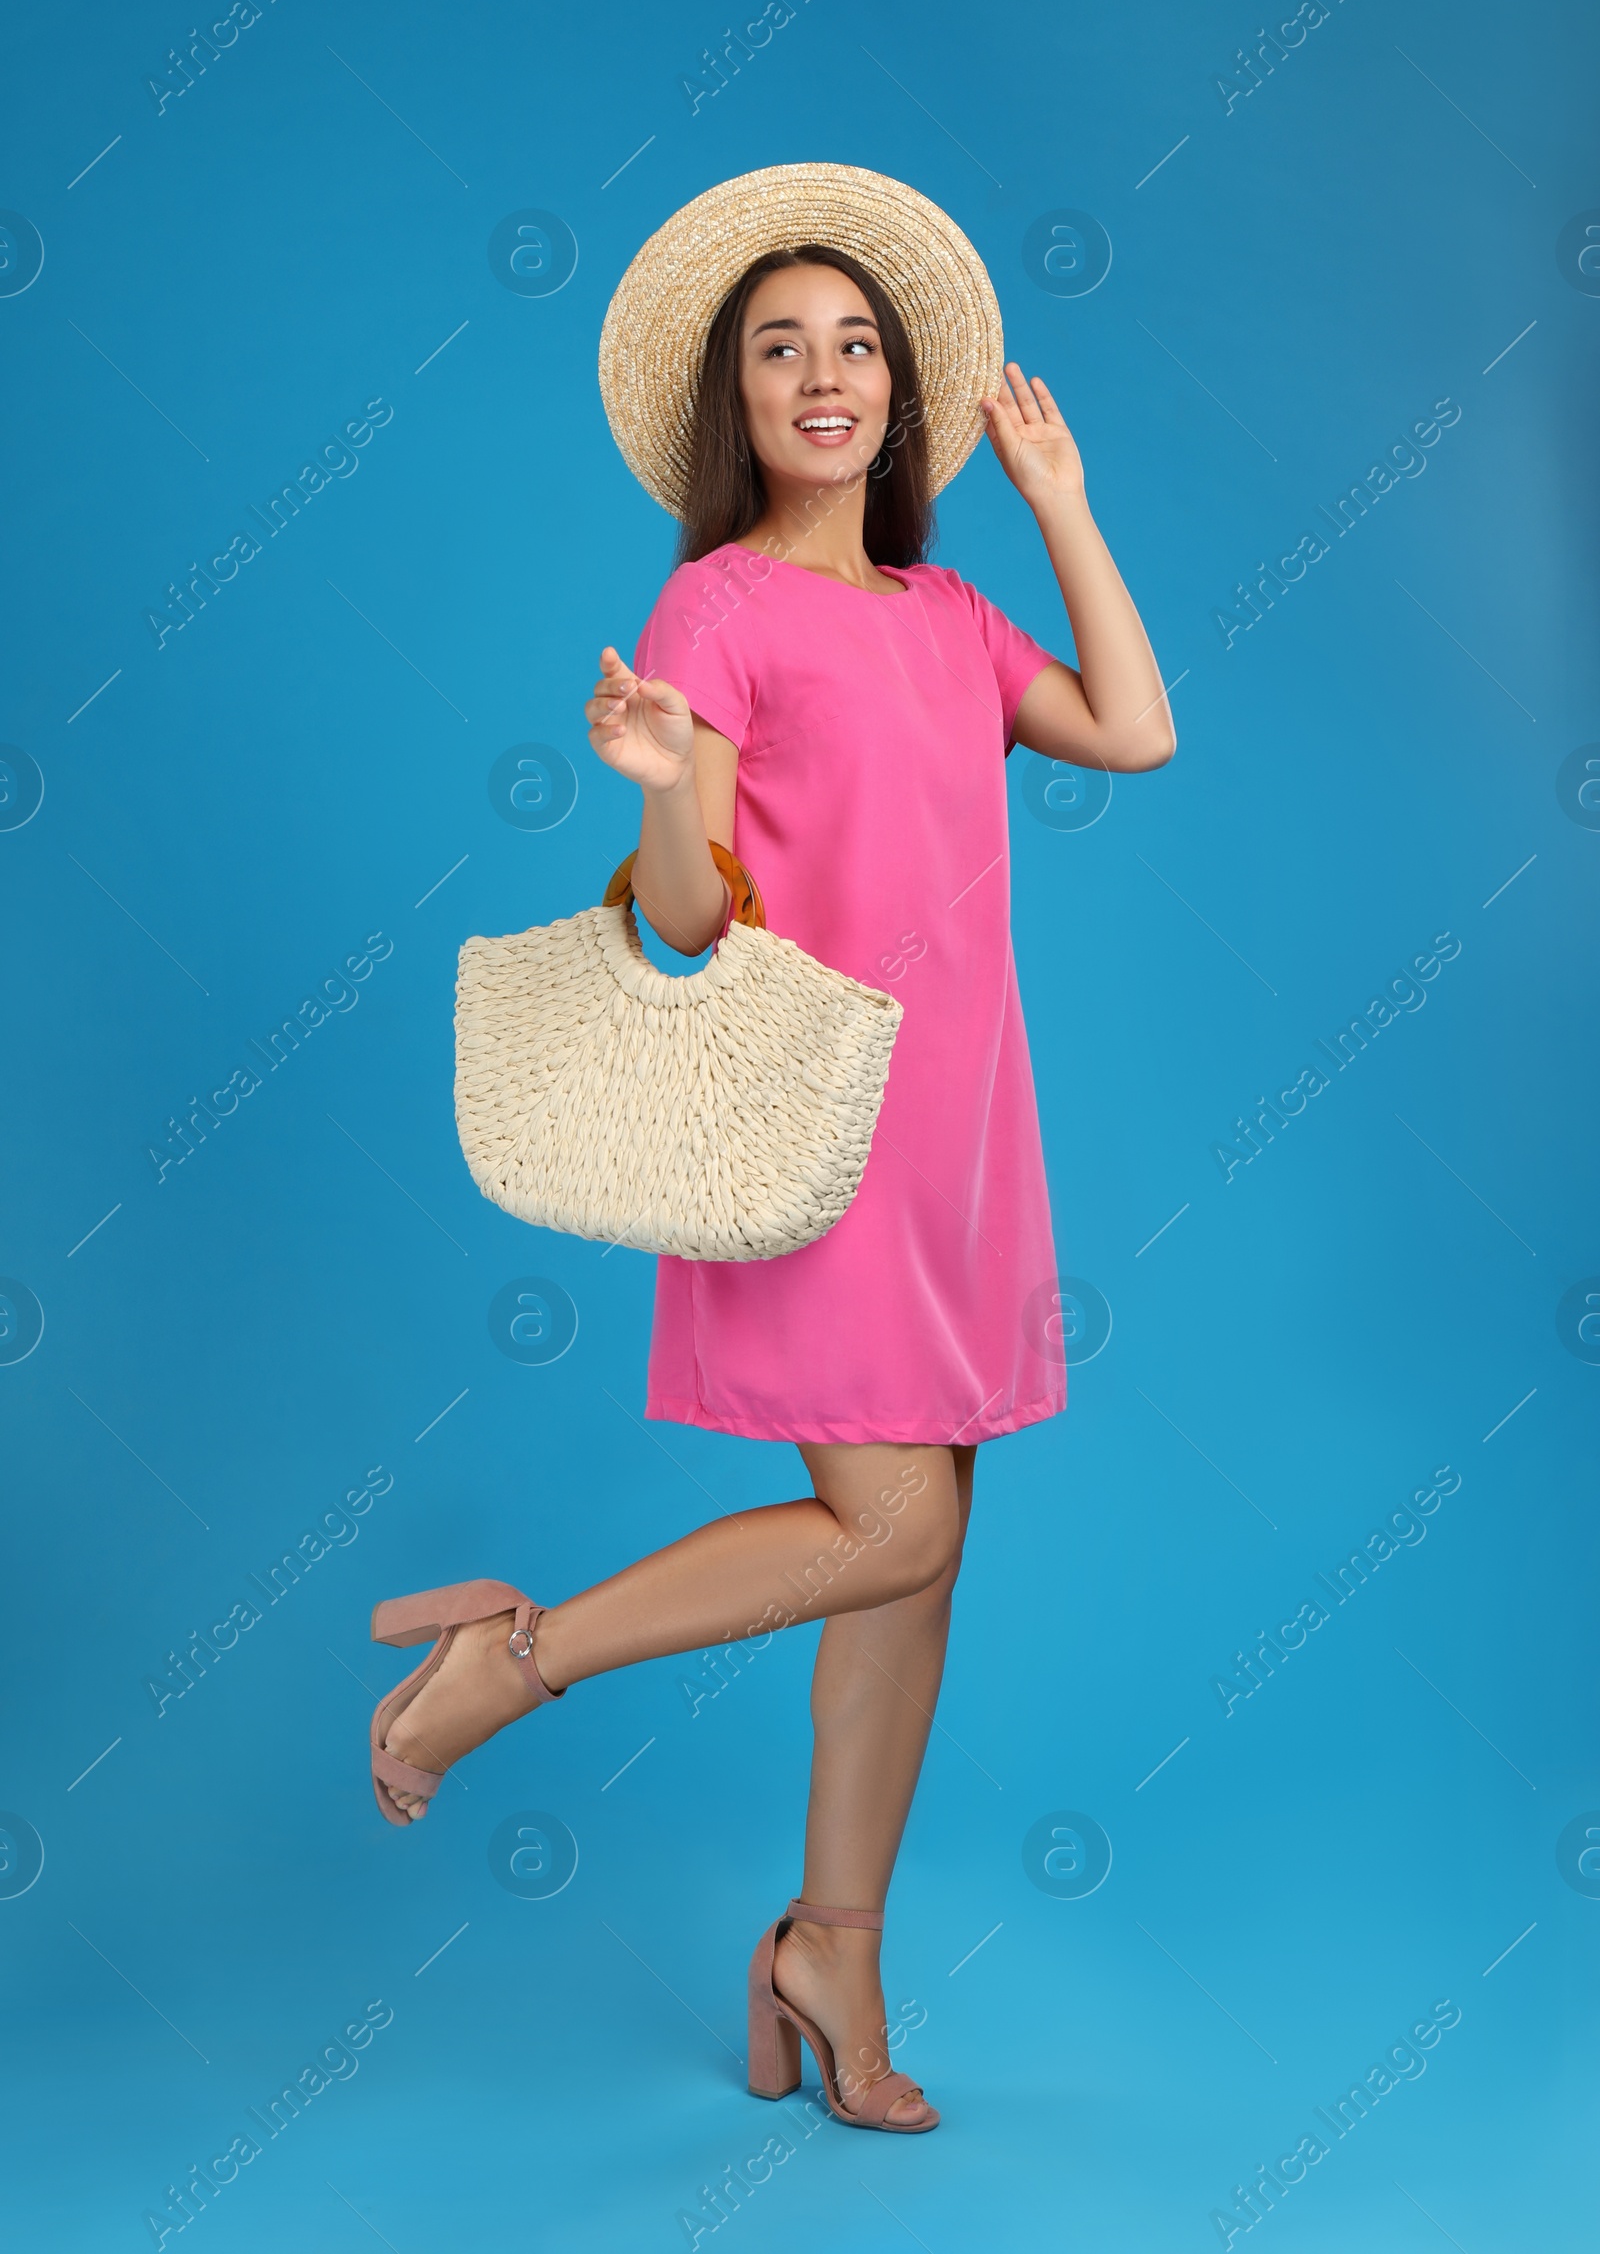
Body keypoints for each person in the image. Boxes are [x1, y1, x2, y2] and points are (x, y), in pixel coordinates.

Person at [367, 165, 1174, 2134]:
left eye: (852, 346)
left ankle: (832, 1947)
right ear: (734, 406)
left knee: (920, 1563)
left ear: (900, 395)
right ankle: (514, 1656)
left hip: (971, 1130)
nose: (822, 374)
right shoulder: (710, 606)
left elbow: (1131, 731)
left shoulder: (947, 611)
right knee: (884, 1525)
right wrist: (652, 791)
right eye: (778, 350)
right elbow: (691, 913)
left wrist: (1058, 505)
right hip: (814, 1125)